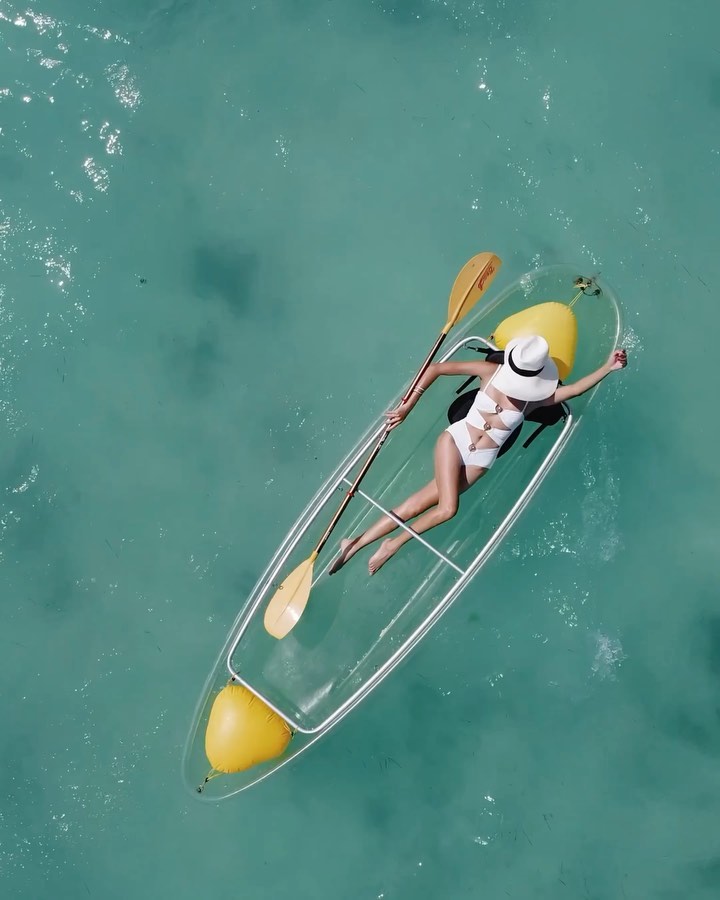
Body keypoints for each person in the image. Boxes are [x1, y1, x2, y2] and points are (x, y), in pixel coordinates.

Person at [329, 335, 627, 576]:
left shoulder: (536, 399)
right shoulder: (491, 372)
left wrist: (608, 367)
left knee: (417, 504)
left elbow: (574, 390)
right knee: (448, 509)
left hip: (479, 462)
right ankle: (392, 545)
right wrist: (408, 406)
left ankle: (354, 544)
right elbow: (436, 368)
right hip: (455, 441)